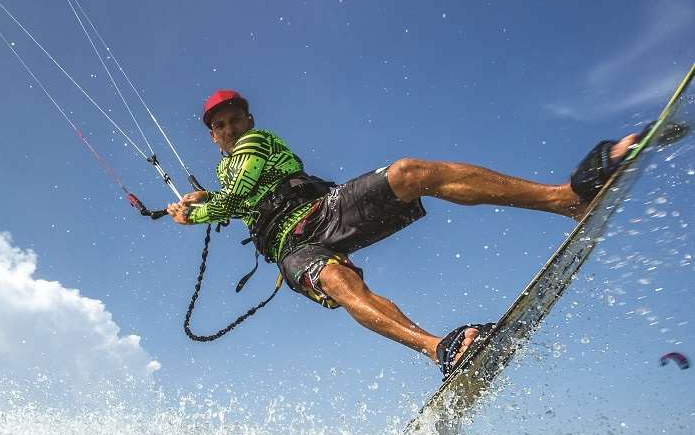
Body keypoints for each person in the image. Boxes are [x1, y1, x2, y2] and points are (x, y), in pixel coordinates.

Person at [166, 89, 641, 377]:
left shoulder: (252, 145)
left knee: (410, 172)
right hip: (291, 246)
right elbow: (231, 197)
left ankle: (565, 199)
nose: (228, 129)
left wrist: (197, 213)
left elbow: (239, 188)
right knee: (336, 281)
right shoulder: (224, 174)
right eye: (218, 126)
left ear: (248, 121)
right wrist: (201, 201)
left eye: (233, 120)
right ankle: (443, 349)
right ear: (211, 135)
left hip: (322, 211)